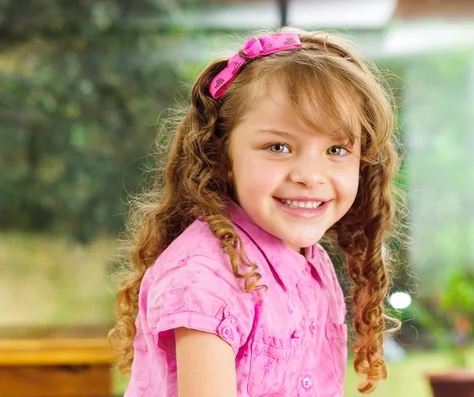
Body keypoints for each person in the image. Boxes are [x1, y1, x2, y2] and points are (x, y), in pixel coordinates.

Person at [109, 27, 404, 397]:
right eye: (278, 147)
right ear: (222, 156)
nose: (310, 176)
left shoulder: (310, 263)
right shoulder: (205, 277)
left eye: (336, 150)